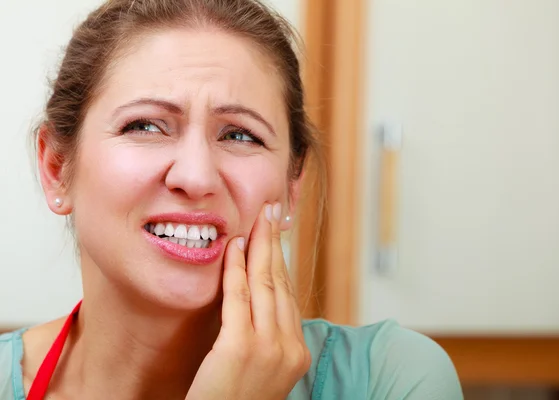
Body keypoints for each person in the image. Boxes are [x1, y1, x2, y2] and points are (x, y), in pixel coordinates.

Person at [0, 0, 463, 399]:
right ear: (57, 169)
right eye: (144, 126)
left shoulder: (392, 380)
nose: (196, 176)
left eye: (241, 135)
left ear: (291, 185)